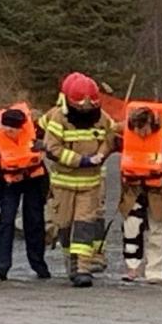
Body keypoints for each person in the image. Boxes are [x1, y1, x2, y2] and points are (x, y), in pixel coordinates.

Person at [41, 72, 114, 287]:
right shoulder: (58, 117)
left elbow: (109, 138)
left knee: (84, 224)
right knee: (64, 224)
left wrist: (101, 154)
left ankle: (84, 268)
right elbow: (52, 148)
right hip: (64, 182)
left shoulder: (101, 117)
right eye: (82, 103)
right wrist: (80, 161)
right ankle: (71, 262)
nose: (86, 108)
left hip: (90, 184)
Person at [0, 105, 50, 281]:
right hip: (7, 183)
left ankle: (39, 264)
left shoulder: (37, 134)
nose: (9, 131)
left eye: (13, 129)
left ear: (22, 127)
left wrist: (45, 146)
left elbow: (53, 147)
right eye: (6, 128)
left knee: (35, 221)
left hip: (34, 181)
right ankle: (2, 266)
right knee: (6, 221)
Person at [118, 102, 162, 283]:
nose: (141, 133)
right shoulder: (122, 132)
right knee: (131, 227)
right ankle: (132, 267)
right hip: (133, 189)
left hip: (161, 190)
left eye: (144, 129)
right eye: (137, 129)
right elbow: (106, 140)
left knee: (158, 230)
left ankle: (155, 271)